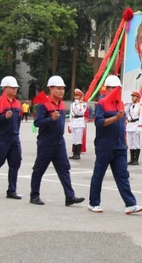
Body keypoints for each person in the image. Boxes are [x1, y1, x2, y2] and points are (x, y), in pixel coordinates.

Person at [88, 75, 142, 214]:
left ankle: (130, 204)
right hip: (105, 145)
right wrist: (115, 118)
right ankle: (93, 203)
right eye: (112, 88)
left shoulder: (120, 103)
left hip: (119, 146)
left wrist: (124, 142)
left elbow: (122, 125)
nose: (115, 90)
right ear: (106, 89)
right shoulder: (101, 104)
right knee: (99, 174)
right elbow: (99, 123)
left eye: (117, 88)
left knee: (122, 176)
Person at [29, 75, 85, 206]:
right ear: (51, 89)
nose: (61, 91)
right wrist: (50, 119)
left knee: (64, 168)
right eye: (58, 88)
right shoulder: (44, 105)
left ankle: (69, 196)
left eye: (63, 89)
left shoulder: (61, 104)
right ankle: (34, 195)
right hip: (46, 142)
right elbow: (37, 122)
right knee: (39, 168)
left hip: (59, 142)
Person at [126, 91, 142, 165]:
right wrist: (128, 105)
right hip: (130, 125)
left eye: (134, 96)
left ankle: (136, 160)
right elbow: (125, 112)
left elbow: (141, 118)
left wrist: (139, 128)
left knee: (136, 143)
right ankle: (132, 159)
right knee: (131, 143)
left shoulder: (140, 107)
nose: (132, 98)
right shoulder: (130, 106)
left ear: (137, 98)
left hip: (136, 125)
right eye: (132, 96)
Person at [69, 88, 87, 160]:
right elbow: (71, 114)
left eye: (77, 95)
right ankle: (74, 153)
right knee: (74, 139)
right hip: (73, 122)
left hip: (79, 122)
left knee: (78, 139)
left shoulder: (83, 104)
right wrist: (70, 124)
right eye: (75, 95)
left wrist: (77, 104)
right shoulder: (72, 104)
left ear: (80, 96)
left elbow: (80, 112)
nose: (75, 97)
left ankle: (78, 154)